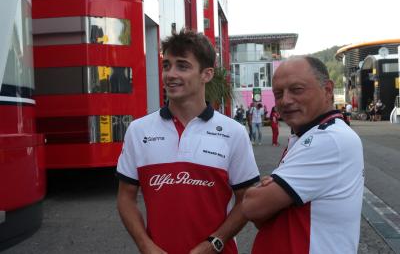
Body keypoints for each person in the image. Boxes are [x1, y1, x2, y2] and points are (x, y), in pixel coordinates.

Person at [116, 29, 260, 254]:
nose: (170, 74)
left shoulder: (234, 132)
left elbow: (246, 200)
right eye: (167, 65)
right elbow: (125, 197)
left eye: (182, 66)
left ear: (207, 74)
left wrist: (215, 243)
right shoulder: (138, 130)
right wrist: (145, 246)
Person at [242, 56, 364, 254]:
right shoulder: (308, 135)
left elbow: (251, 207)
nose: (286, 100)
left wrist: (263, 192)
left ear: (328, 90)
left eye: (297, 89)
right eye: (278, 93)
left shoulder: (328, 139)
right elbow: (260, 216)